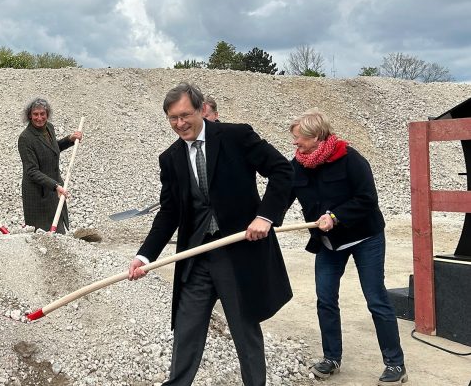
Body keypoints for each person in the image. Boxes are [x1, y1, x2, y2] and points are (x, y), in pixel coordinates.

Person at [128, 82, 293, 386]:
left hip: (239, 252)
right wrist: (144, 255)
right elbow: (169, 213)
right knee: (186, 328)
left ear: (202, 109)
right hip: (197, 257)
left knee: (245, 331)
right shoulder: (171, 158)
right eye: (172, 119)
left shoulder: (236, 136)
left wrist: (265, 216)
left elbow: (283, 171)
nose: (180, 124)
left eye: (185, 115)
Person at [287, 109, 407, 385]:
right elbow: (284, 196)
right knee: (325, 298)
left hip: (366, 238)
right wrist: (265, 220)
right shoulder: (298, 164)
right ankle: (332, 358)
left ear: (317, 136)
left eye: (299, 140)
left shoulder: (350, 159)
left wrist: (335, 216)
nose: (295, 145)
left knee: (375, 299)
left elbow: (367, 199)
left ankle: (395, 364)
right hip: (329, 244)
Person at [18, 98, 83, 234]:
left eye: (43, 114)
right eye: (35, 114)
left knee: (58, 232)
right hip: (38, 194)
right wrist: (55, 185)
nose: (39, 118)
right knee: (42, 235)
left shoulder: (49, 128)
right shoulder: (25, 138)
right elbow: (31, 171)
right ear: (29, 115)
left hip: (53, 189)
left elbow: (51, 149)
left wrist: (69, 139)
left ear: (47, 114)